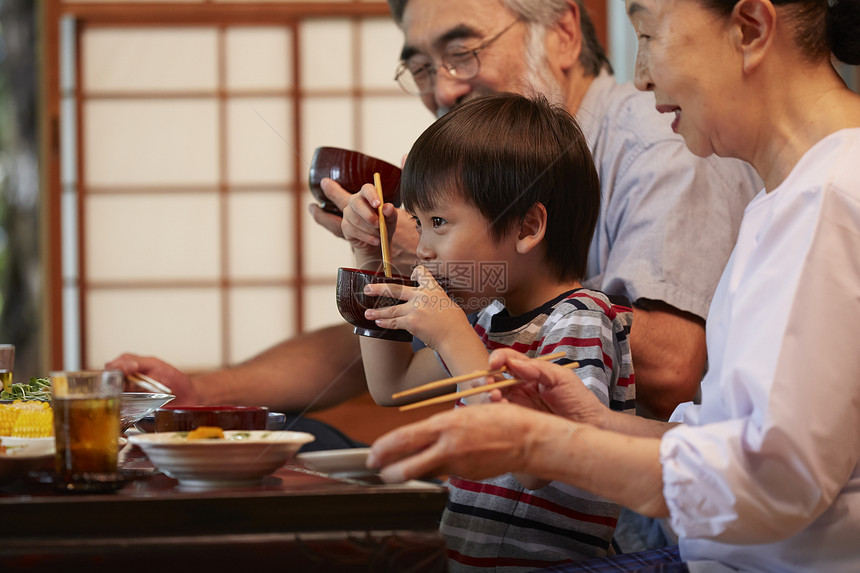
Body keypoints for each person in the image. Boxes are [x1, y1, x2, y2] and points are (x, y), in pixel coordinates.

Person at [366, 0, 860, 571]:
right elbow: (730, 436)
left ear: (749, 27)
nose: (642, 74)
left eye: (648, 35)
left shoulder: (829, 199)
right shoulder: (792, 194)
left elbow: (778, 482)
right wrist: (597, 421)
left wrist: (538, 444)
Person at [108, 0, 759, 427]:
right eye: (419, 67)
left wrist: (450, 268)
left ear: (563, 32)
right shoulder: (484, 174)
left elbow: (673, 367)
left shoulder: (662, 140)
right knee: (300, 436)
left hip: (629, 518)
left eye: (463, 50)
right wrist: (200, 389)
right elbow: (402, 347)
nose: (442, 89)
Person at [347, 92, 635, 569]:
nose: (421, 248)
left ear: (527, 226)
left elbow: (537, 464)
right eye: (419, 223)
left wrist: (453, 336)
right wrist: (368, 261)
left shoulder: (581, 319)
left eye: (438, 222)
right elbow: (391, 387)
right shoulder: (488, 320)